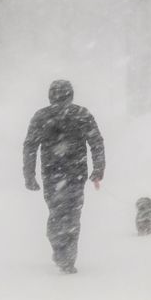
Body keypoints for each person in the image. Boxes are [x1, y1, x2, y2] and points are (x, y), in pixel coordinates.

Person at [23, 79, 105, 274]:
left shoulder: (42, 116)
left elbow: (30, 146)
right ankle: (68, 255)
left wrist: (29, 175)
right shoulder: (82, 115)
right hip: (76, 174)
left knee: (56, 211)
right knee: (73, 214)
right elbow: (96, 142)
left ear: (50, 95)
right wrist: (98, 169)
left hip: (52, 174)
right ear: (71, 94)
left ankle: (59, 246)